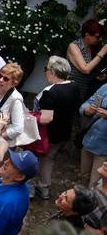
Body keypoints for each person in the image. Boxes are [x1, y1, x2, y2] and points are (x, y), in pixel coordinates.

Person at [31, 56, 82, 200]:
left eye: (46, 69)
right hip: (63, 132)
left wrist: (28, 117)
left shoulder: (50, 92)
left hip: (47, 135)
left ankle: (32, 188)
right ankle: (44, 188)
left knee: (35, 159)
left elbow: (46, 118)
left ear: (52, 72)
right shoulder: (74, 86)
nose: (45, 72)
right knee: (49, 160)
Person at [67, 20, 107, 102]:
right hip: (72, 91)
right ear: (87, 35)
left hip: (86, 92)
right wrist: (102, 52)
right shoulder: (74, 46)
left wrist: (97, 75)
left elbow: (93, 68)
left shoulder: (94, 46)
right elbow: (85, 69)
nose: (100, 39)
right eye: (97, 36)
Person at [80, 83, 107, 186]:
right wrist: (87, 110)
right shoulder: (105, 87)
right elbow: (88, 103)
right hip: (89, 140)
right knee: (83, 177)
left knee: (95, 185)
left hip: (104, 149)